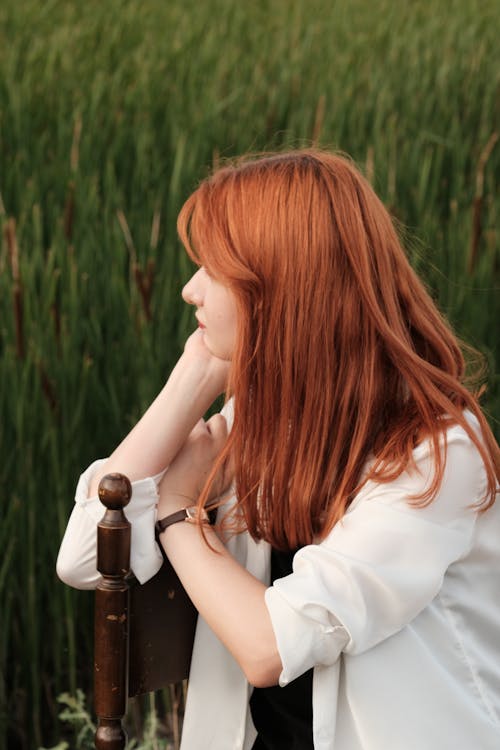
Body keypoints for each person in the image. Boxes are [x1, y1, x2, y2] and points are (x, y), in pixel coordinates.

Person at [57, 149, 500, 750]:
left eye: (213, 270)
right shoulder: (263, 425)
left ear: (285, 289)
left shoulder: (435, 455)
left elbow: (270, 646)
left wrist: (178, 514)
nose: (189, 290)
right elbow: (85, 558)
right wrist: (188, 385)